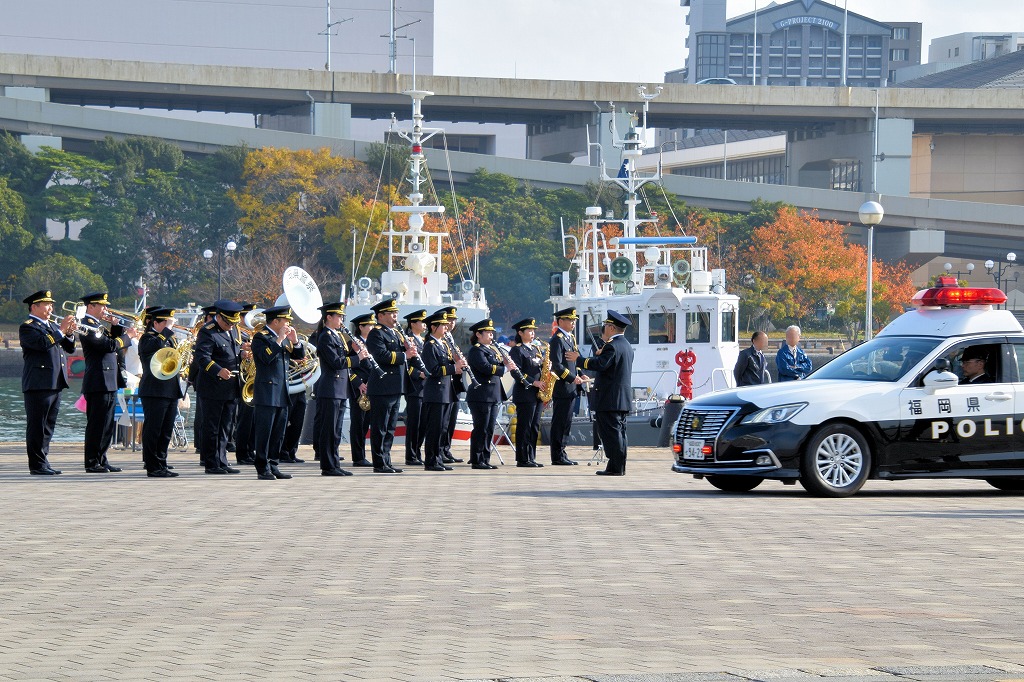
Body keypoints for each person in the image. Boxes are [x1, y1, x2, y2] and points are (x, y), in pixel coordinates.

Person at [80, 292, 139, 473]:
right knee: (97, 424)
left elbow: (112, 345)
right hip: (98, 381)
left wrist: (115, 328)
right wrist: (128, 336)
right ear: (91, 307)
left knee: (106, 425)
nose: (105, 309)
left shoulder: (98, 326)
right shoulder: (87, 325)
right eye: (102, 305)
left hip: (109, 380)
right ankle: (91, 462)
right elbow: (109, 346)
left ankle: (102, 458)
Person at [19, 290, 76, 475]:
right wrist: (60, 330)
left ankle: (43, 461)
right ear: (34, 306)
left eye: (51, 304)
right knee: (37, 425)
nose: (51, 308)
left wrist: (69, 333)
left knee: (48, 426)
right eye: (46, 304)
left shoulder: (51, 325)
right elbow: (42, 344)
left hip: (55, 382)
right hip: (39, 383)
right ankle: (36, 465)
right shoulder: (28, 327)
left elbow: (69, 347)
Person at [251, 305, 305, 480]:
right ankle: (262, 467)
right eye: (285, 321)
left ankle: (273, 464)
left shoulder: (282, 338)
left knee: (278, 432)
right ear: (276, 321)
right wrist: (280, 339)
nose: (288, 324)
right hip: (267, 390)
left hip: (282, 390)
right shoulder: (261, 337)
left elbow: (299, 356)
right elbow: (265, 358)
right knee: (264, 431)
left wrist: (295, 341)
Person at [578, 310, 635, 476]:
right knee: (619, 432)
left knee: (611, 433)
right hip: (620, 398)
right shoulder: (626, 345)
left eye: (605, 326)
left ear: (611, 328)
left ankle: (616, 467)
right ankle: (617, 465)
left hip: (610, 398)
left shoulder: (612, 346)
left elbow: (601, 365)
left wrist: (579, 359)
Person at [193, 300, 245, 475]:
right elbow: (202, 358)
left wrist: (243, 353)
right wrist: (218, 370)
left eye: (233, 323)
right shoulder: (207, 332)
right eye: (228, 323)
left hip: (231, 386)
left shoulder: (232, 330)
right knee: (212, 426)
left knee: (225, 427)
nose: (231, 327)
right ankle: (211, 462)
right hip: (213, 387)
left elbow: (232, 352)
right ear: (219, 317)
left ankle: (222, 460)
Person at [312, 301, 364, 476]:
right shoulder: (325, 336)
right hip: (330, 387)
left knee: (336, 430)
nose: (342, 319)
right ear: (329, 317)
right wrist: (358, 357)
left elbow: (342, 358)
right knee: (329, 429)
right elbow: (336, 362)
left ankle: (334, 463)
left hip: (340, 387)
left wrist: (353, 351)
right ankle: (328, 466)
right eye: (339, 316)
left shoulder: (337, 335)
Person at [366, 298, 417, 474]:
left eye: (396, 313)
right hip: (382, 386)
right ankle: (379, 463)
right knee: (380, 426)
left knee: (390, 427)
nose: (395, 316)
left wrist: (408, 350)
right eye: (392, 313)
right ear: (381, 315)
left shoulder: (395, 333)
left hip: (395, 385)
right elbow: (380, 355)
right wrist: (404, 354)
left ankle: (386, 460)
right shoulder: (376, 333)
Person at [137, 307, 184, 477]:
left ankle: (161, 462)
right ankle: (152, 465)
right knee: (153, 429)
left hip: (170, 389)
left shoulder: (168, 339)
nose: (169, 326)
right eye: (165, 322)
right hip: (154, 390)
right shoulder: (147, 338)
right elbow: (155, 348)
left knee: (165, 430)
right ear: (155, 323)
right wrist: (167, 331)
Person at [464, 318, 514, 469]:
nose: (491, 335)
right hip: (481, 395)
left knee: (490, 428)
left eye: (492, 333)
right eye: (488, 333)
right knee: (481, 427)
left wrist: (506, 363)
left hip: (493, 394)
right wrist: (505, 369)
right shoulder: (476, 350)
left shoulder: (492, 349)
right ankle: (477, 459)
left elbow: (496, 364)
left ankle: (485, 458)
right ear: (479, 334)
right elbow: (485, 367)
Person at [420, 310, 464, 471]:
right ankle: (431, 460)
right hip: (436, 392)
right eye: (443, 325)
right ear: (433, 327)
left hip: (446, 391)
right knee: (434, 428)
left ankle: (438, 458)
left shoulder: (443, 344)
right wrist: (454, 367)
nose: (446, 328)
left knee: (442, 427)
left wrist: (458, 364)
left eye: (447, 325)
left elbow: (448, 365)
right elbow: (432, 370)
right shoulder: (429, 346)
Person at [548, 307, 584, 465]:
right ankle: (557, 456)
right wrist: (571, 378)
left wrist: (581, 373)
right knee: (560, 422)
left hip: (571, 388)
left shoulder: (570, 338)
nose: (573, 323)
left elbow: (573, 362)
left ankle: (562, 452)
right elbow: (557, 366)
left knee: (567, 422)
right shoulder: (557, 339)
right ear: (561, 321)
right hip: (562, 387)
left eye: (574, 320)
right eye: (570, 320)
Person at [508, 318, 545, 468]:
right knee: (525, 425)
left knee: (534, 425)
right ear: (520, 333)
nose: (533, 333)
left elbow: (538, 368)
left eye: (533, 330)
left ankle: (531, 456)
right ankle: (523, 458)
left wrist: (545, 365)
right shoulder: (517, 350)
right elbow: (516, 372)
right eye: (529, 330)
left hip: (538, 393)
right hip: (525, 393)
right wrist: (533, 382)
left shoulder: (535, 349)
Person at [347, 312, 376, 467]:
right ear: (361, 327)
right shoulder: (354, 344)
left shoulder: (372, 343)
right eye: (369, 325)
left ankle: (363, 455)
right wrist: (358, 383)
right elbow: (347, 367)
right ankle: (358, 457)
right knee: (358, 423)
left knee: (366, 424)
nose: (372, 327)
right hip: (359, 388)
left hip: (372, 387)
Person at [402, 309, 428, 466]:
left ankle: (418, 452)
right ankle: (411, 455)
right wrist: (418, 374)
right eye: (421, 321)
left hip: (426, 387)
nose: (424, 324)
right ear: (413, 324)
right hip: (415, 386)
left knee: (423, 422)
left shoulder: (424, 341)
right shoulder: (408, 340)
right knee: (414, 423)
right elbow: (407, 366)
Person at [439, 306, 465, 465]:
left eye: (453, 320)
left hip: (454, 382)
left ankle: (446, 449)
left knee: (451, 419)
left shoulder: (450, 337)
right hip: (445, 381)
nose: (451, 323)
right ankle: (440, 450)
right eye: (449, 320)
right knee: (443, 421)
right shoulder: (440, 338)